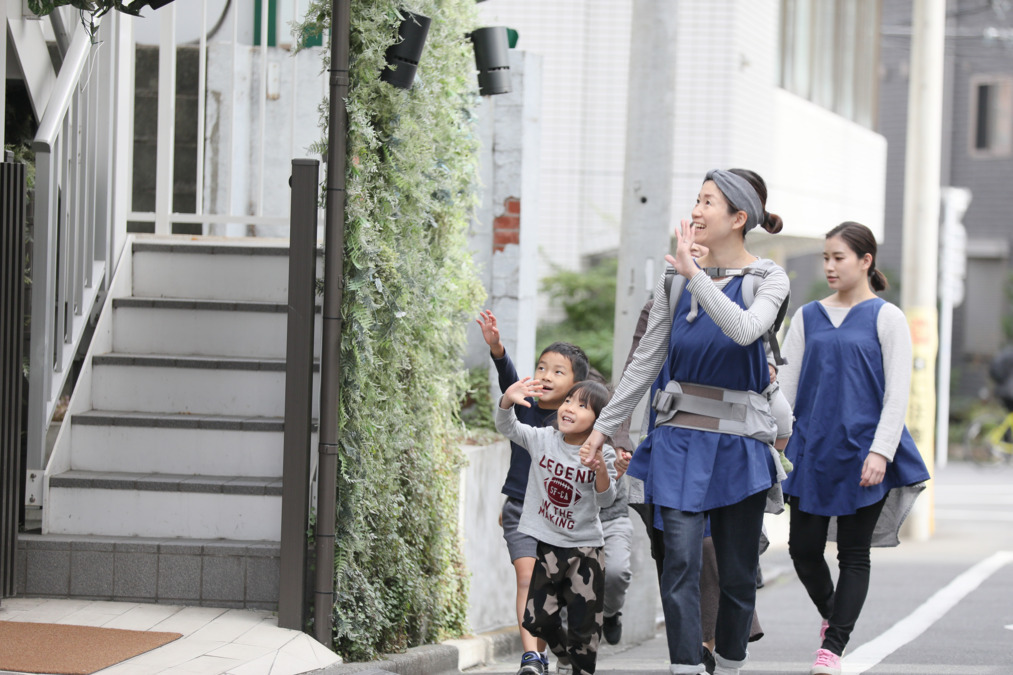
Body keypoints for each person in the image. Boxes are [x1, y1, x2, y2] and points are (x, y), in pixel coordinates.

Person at [582, 168, 789, 675]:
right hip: (675, 442)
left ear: (739, 219)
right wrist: (603, 427)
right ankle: (685, 667)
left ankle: (731, 661)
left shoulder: (768, 278)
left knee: (738, 575)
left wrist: (696, 276)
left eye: (708, 203)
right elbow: (646, 361)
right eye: (696, 200)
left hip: (739, 444)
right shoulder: (675, 280)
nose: (695, 211)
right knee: (678, 563)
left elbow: (744, 330)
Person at [777, 222, 930, 675]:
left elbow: (896, 394)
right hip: (813, 451)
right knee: (803, 549)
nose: (829, 266)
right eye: (825, 257)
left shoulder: (887, 317)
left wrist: (881, 451)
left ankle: (834, 647)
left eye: (838, 257)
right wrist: (778, 443)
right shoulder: (807, 317)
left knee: (853, 553)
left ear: (866, 261)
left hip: (865, 453)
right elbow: (785, 390)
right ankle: (835, 614)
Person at [477, 310, 590, 674]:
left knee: (554, 589)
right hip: (520, 509)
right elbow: (509, 381)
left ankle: (556, 648)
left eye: (558, 371)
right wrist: (497, 348)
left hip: (560, 517)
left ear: (575, 386)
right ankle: (531, 657)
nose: (546, 375)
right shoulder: (525, 408)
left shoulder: (576, 426)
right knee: (527, 578)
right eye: (542, 367)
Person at [495, 378, 618, 675]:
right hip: (546, 547)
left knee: (583, 629)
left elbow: (606, 499)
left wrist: (600, 469)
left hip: (584, 550)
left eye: (581, 405)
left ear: (599, 421)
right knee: (537, 619)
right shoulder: (543, 439)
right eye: (568, 401)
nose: (569, 408)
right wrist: (507, 400)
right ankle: (562, 655)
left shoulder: (603, 454)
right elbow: (508, 427)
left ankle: (577, 663)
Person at [585, 369, 635, 646]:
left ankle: (612, 613)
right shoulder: (560, 433)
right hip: (573, 523)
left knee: (616, 572)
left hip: (612, 520)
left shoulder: (618, 438)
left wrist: (617, 466)